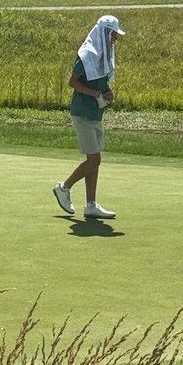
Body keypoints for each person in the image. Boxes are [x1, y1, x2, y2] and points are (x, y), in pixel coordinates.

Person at [53, 14, 126, 219]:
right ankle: (64, 187)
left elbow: (100, 83)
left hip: (96, 112)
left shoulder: (104, 55)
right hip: (83, 113)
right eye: (113, 34)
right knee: (94, 159)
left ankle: (91, 205)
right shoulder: (86, 54)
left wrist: (107, 92)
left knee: (94, 160)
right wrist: (96, 94)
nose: (115, 39)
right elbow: (73, 82)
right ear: (104, 33)